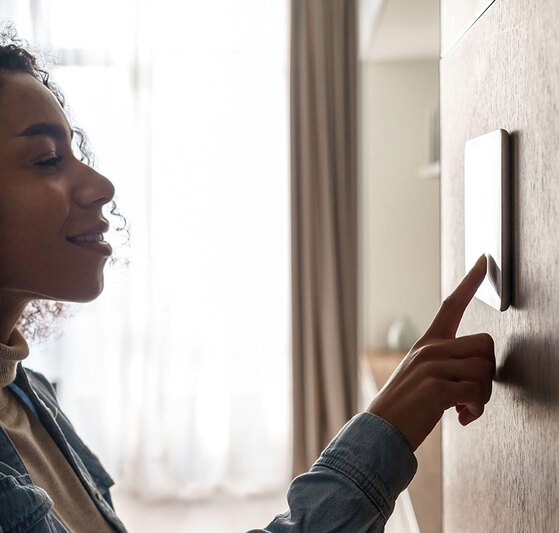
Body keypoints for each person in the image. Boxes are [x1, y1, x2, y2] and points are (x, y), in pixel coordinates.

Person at [0, 28, 495, 532]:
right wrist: (384, 432)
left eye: (75, 153)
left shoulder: (27, 393)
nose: (101, 185)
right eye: (47, 158)